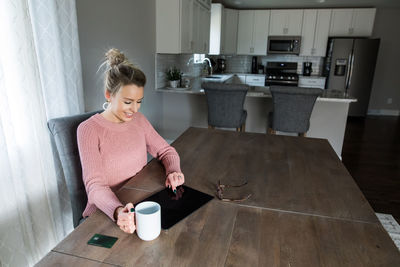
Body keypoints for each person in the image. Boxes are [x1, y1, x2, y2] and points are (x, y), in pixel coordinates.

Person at [77, 48, 184, 234]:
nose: (134, 109)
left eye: (139, 101)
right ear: (109, 94)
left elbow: (166, 151)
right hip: (107, 214)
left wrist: (174, 171)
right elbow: (94, 187)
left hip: (140, 203)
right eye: (128, 102)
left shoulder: (139, 120)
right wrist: (118, 211)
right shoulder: (88, 130)